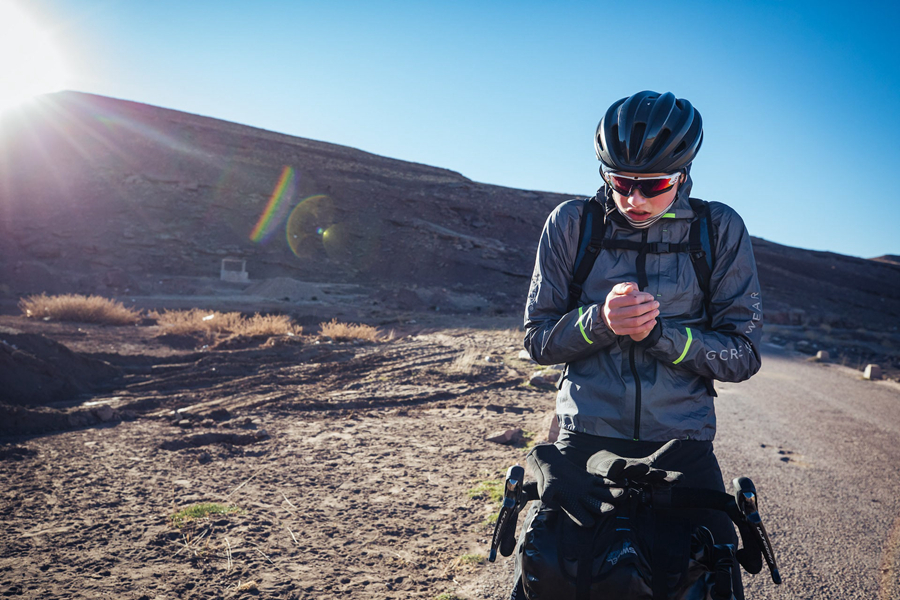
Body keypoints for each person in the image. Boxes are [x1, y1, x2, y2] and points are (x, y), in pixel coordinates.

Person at [520, 90, 763, 599]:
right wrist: (599, 322)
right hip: (585, 438)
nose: (633, 199)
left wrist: (660, 337)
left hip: (683, 445)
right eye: (620, 182)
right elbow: (537, 340)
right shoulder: (571, 224)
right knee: (548, 574)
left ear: (683, 172)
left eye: (651, 185)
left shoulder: (718, 230)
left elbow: (742, 354)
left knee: (706, 579)